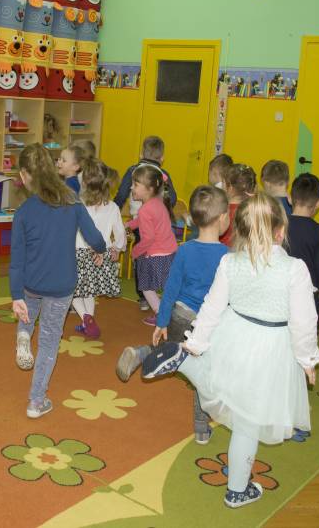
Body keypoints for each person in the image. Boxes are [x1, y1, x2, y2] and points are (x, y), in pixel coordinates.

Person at [141, 192, 319, 509]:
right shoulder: (294, 269)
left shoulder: (230, 262)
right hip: (270, 349)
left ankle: (184, 359)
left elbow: (211, 308)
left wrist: (195, 344)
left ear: (238, 231)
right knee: (248, 423)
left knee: (216, 383)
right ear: (280, 232)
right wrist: (307, 358)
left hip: (233, 335)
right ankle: (237, 491)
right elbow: (304, 321)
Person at [116, 185, 229, 444]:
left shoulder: (185, 249)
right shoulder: (227, 256)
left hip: (180, 314)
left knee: (170, 352)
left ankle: (142, 353)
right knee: (203, 374)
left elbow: (170, 289)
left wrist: (162, 321)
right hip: (208, 324)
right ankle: (201, 428)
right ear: (223, 218)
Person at [10, 143, 106, 418]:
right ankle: (36, 401)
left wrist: (16, 296)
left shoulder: (24, 211)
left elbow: (16, 260)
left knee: (28, 310)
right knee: (49, 341)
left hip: (31, 282)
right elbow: (95, 236)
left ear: (24, 175)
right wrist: (100, 250)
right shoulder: (72, 201)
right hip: (61, 284)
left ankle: (23, 334)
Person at [114, 135, 178, 311]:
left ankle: (148, 300)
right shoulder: (162, 180)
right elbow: (172, 198)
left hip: (149, 235)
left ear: (141, 154)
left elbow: (121, 195)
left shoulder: (133, 170)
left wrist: (113, 212)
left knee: (143, 264)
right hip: (163, 235)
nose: (132, 188)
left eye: (135, 186)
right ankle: (161, 301)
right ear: (161, 158)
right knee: (161, 270)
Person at [72, 158, 125, 339]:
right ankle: (88, 322)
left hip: (79, 253)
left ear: (85, 183)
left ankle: (86, 318)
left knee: (73, 291)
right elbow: (120, 232)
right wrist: (117, 249)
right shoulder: (113, 207)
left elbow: (72, 230)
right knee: (89, 292)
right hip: (101, 254)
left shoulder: (79, 205)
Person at [126, 163, 178, 326]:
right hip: (169, 252)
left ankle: (161, 314)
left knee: (147, 287)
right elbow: (142, 221)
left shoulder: (145, 209)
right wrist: (129, 225)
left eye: (135, 184)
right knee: (166, 285)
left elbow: (148, 239)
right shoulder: (157, 202)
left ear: (149, 189)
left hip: (156, 255)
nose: (131, 187)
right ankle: (170, 311)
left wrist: (135, 252)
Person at [286, 173, 319, 329]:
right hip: (308, 294)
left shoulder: (279, 225)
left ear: (290, 198)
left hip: (281, 289)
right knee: (308, 332)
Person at [219, 163, 257, 246]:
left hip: (224, 252)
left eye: (223, 183)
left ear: (230, 188)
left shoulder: (223, 210)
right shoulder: (254, 209)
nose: (221, 186)